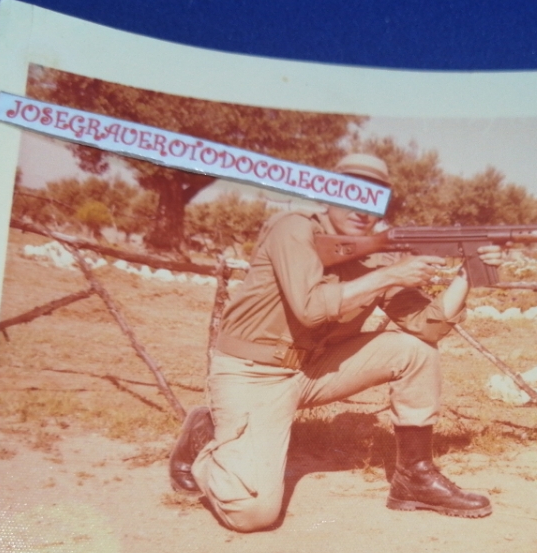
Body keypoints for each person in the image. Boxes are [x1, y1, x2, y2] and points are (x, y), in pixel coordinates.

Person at [168, 152, 495, 532]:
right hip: (252, 375)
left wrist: (469, 272)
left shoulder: (375, 256)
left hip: (312, 369)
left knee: (415, 351)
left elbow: (428, 328)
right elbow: (309, 308)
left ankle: (415, 477)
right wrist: (390, 274)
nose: (361, 207)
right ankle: (204, 441)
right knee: (251, 513)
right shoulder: (293, 229)